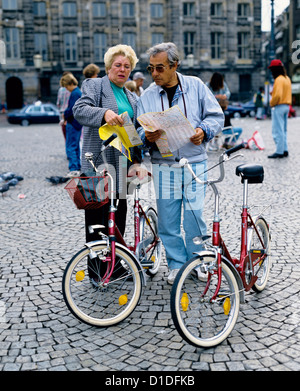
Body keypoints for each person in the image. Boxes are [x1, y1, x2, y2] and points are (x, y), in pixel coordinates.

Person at [137, 42, 224, 284]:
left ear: (175, 65)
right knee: (168, 220)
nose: (154, 74)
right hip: (163, 165)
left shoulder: (195, 86)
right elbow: (137, 130)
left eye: (160, 68)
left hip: (194, 162)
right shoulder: (147, 95)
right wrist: (147, 136)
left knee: (195, 216)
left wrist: (203, 130)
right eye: (150, 68)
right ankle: (176, 264)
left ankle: (198, 261)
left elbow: (216, 115)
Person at [73, 44, 142, 245]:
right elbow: (80, 110)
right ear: (109, 67)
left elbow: (133, 133)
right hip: (97, 164)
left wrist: (137, 161)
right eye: (118, 65)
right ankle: (98, 271)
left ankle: (117, 266)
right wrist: (103, 113)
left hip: (121, 166)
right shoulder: (94, 86)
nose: (122, 70)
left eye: (127, 66)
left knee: (119, 217)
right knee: (96, 222)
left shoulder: (133, 98)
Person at [206, 72, 242, 149]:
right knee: (235, 129)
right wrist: (216, 96)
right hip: (216, 112)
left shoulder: (223, 85)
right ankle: (226, 143)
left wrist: (224, 96)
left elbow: (227, 93)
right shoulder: (208, 85)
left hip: (217, 121)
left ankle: (218, 143)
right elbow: (205, 95)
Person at [268, 59, 292, 159]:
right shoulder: (287, 78)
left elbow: (277, 95)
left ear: (274, 70)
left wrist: (271, 103)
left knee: (278, 130)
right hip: (286, 106)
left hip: (279, 106)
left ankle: (279, 151)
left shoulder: (278, 79)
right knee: (284, 130)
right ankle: (284, 149)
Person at [60, 73, 82, 177]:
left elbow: (72, 109)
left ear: (70, 83)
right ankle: (77, 165)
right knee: (75, 145)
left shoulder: (75, 93)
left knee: (70, 146)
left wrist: (65, 114)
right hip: (77, 123)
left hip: (72, 123)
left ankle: (74, 168)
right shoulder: (77, 92)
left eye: (66, 86)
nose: (66, 89)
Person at [56, 72, 71, 140]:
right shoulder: (72, 90)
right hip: (71, 115)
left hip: (62, 115)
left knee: (66, 137)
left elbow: (58, 104)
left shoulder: (60, 90)